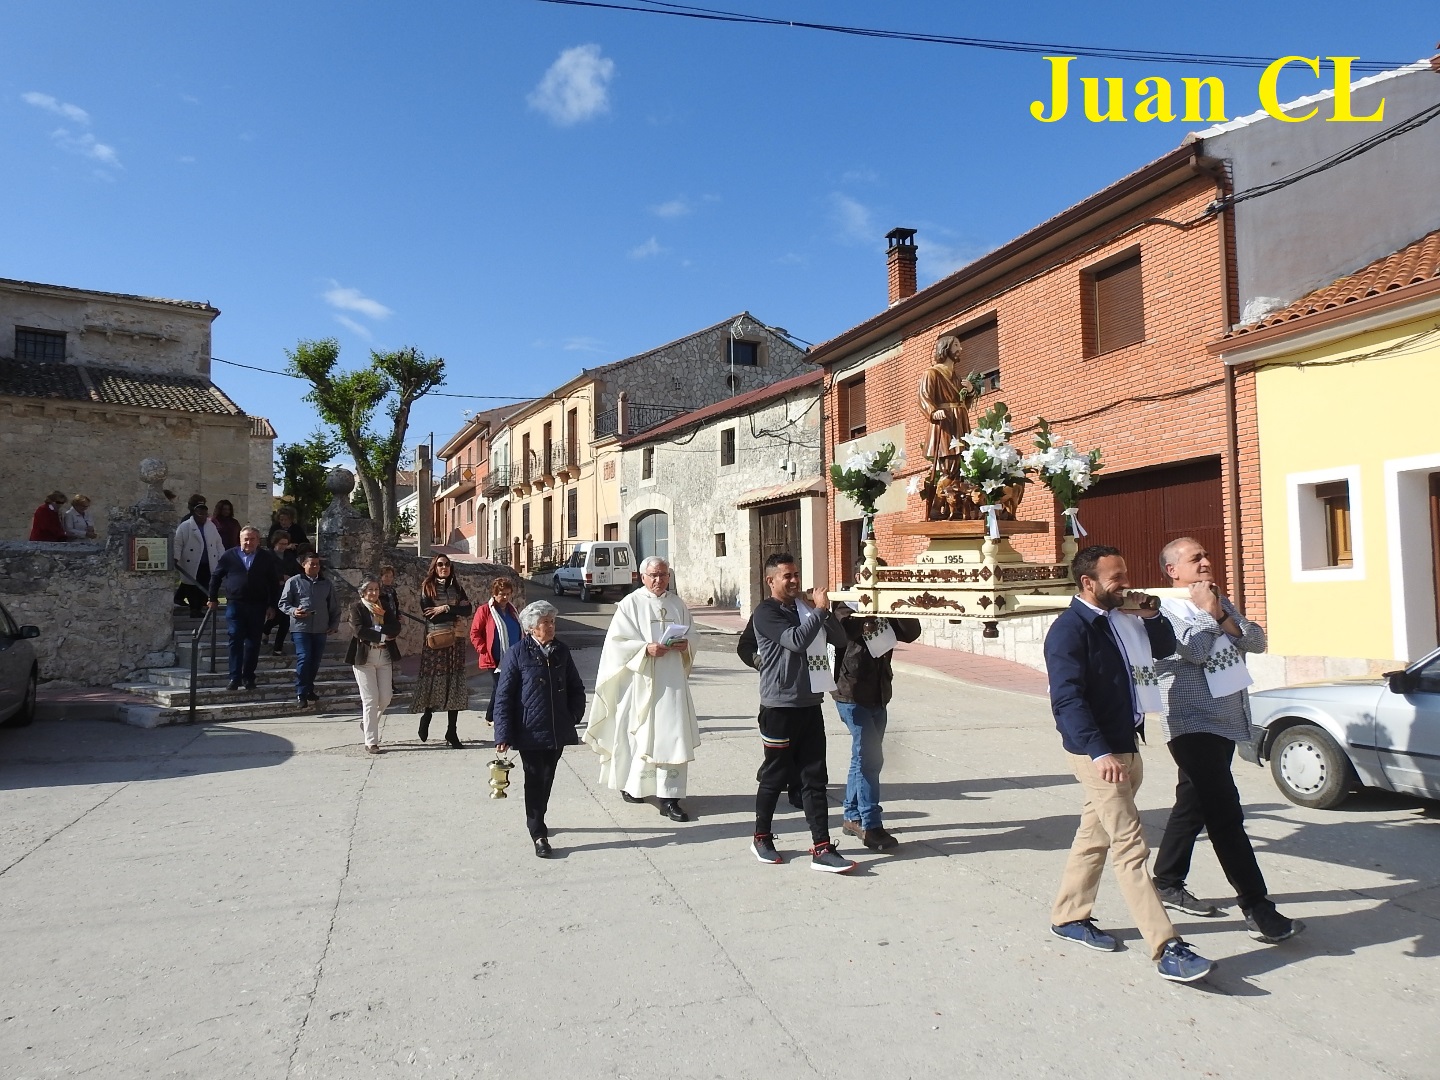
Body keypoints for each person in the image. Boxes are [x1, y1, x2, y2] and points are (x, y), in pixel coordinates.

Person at [1044, 544, 1214, 984]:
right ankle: (1166, 947)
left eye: (1124, 573)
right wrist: (1099, 753)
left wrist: (1153, 612)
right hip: (1097, 753)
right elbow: (1067, 700)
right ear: (1088, 583)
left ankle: (1068, 915)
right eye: (1115, 576)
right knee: (1130, 846)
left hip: (1126, 743)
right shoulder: (1068, 631)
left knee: (1093, 836)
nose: (1125, 582)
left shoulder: (1122, 618)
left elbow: (1161, 649)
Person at [1151, 537, 1305, 944]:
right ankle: (1257, 907)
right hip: (1190, 723)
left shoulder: (1216, 600)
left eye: (1205, 555)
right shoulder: (1161, 608)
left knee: (1193, 805)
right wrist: (1212, 616)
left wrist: (1218, 612)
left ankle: (1166, 880)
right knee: (1225, 813)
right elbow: (1198, 650)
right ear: (1173, 570)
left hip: (1226, 720)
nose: (1205, 562)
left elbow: (1255, 640)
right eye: (1195, 558)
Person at [749, 553, 855, 873]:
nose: (795, 581)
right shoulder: (766, 612)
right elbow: (796, 642)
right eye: (787, 576)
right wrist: (819, 611)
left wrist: (826, 612)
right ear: (771, 581)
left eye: (796, 574)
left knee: (814, 777)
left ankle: (822, 847)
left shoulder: (806, 608)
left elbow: (839, 639)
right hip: (779, 706)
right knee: (775, 775)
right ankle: (761, 837)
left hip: (810, 704)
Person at [583, 557, 701, 822]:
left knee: (672, 736)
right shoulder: (630, 604)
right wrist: (644, 649)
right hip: (639, 682)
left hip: (671, 685)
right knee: (639, 735)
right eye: (653, 575)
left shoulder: (676, 603)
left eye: (663, 574)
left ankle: (670, 797)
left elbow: (693, 634)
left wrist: (687, 644)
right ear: (642, 577)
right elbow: (616, 643)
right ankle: (635, 785)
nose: (659, 580)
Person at [493, 600, 587, 857]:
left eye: (552, 621)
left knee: (547, 778)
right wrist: (503, 733)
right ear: (532, 627)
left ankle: (538, 817)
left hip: (557, 730)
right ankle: (538, 832)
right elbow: (503, 696)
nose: (551, 626)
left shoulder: (562, 651)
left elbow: (576, 687)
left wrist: (574, 715)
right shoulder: (516, 653)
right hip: (529, 731)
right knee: (534, 779)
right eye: (545, 622)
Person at [831, 592, 922, 851]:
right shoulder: (845, 606)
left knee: (861, 758)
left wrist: (898, 604)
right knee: (870, 759)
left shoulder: (887, 605)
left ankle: (852, 815)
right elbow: (848, 631)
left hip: (878, 694)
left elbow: (910, 632)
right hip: (851, 693)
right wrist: (869, 609)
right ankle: (871, 825)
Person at [207, 526, 282, 691]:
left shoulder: (265, 557)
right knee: (235, 638)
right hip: (236, 604)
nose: (248, 542)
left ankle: (248, 676)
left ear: (258, 540)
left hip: (257, 605)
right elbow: (216, 576)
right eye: (245, 539)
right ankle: (234, 677)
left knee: (253, 642)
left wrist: (272, 605)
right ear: (240, 540)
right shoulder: (229, 555)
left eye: (252, 539)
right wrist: (212, 598)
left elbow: (273, 583)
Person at [409, 554, 473, 747]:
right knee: (434, 681)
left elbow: (467, 610)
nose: (443, 567)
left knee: (454, 684)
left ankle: (451, 732)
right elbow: (431, 617)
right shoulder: (427, 587)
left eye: (446, 564)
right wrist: (453, 610)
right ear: (434, 567)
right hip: (436, 642)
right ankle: (427, 715)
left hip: (456, 641)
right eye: (440, 565)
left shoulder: (457, 588)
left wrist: (445, 607)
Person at [278, 552, 341, 709]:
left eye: (317, 564)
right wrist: (293, 611)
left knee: (315, 661)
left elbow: (333, 606)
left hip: (320, 628)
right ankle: (301, 691)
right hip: (301, 628)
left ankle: (309, 688)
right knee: (304, 657)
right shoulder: (294, 582)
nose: (315, 567)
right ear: (303, 565)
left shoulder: (326, 584)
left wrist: (334, 624)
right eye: (311, 564)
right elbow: (283, 603)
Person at [346, 578, 401, 754]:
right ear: (363, 592)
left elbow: (396, 626)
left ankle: (368, 723)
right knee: (370, 699)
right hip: (364, 657)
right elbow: (359, 630)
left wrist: (377, 632)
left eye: (376, 589)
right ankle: (371, 741)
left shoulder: (383, 606)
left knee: (386, 697)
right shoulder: (357, 608)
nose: (374, 593)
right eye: (370, 589)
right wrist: (383, 635)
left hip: (383, 655)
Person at [918, 334, 976, 483]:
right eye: (956, 345)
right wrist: (933, 412)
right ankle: (944, 497)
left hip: (960, 423)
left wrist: (970, 391)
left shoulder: (957, 377)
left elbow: (964, 402)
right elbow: (924, 396)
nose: (960, 348)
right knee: (949, 463)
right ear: (945, 348)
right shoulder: (931, 373)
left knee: (964, 461)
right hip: (946, 424)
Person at [471, 576, 522, 730]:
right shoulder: (485, 610)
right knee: (501, 686)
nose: (505, 597)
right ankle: (494, 716)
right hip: (495, 658)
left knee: (505, 687)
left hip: (513, 656)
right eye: (502, 594)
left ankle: (493, 715)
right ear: (494, 594)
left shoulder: (512, 610)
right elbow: (475, 633)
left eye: (508, 593)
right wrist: (483, 649)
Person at [174, 502, 226, 617]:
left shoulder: (211, 526)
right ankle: (194, 609)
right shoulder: (185, 526)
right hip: (191, 562)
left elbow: (218, 543)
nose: (202, 516)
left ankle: (201, 607)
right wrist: (176, 557)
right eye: (200, 513)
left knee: (206, 585)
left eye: (205, 514)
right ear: (194, 513)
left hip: (208, 562)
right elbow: (178, 543)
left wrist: (222, 558)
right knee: (192, 586)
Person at [262, 534, 302, 656]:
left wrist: (290, 579)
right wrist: (280, 577)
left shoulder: (289, 556)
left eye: (285, 544)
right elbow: (265, 573)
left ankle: (277, 647)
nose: (283, 547)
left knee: (285, 620)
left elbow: (297, 570)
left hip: (287, 591)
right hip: (273, 591)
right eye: (281, 544)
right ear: (275, 543)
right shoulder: (267, 556)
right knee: (277, 616)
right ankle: (265, 631)